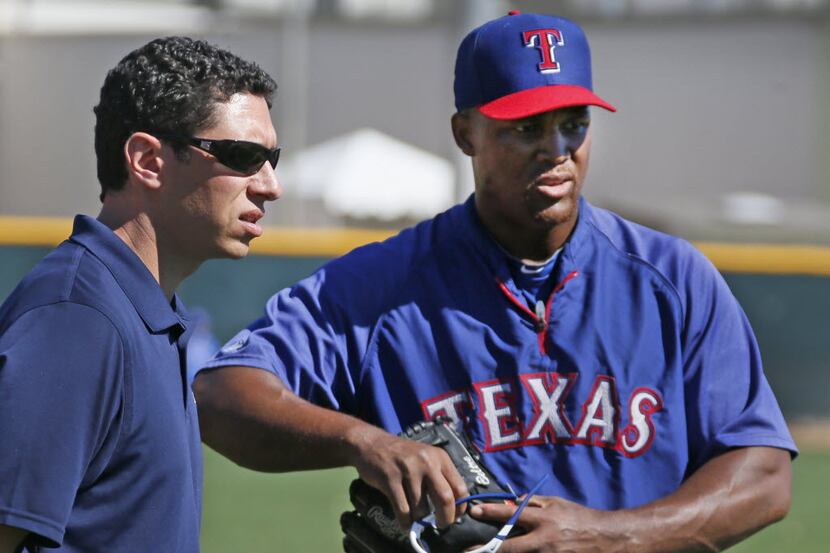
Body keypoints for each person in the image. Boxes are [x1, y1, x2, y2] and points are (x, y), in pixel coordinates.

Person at [194, 12, 796, 552]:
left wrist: (612, 537)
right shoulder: (383, 285)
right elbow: (221, 396)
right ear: (466, 135)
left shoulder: (672, 280)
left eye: (573, 124)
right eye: (525, 128)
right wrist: (364, 443)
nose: (556, 150)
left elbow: (763, 474)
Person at [0, 36, 280, 552]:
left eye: (271, 158)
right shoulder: (78, 318)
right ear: (148, 160)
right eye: (243, 156)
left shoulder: (141, 307)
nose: (268, 185)